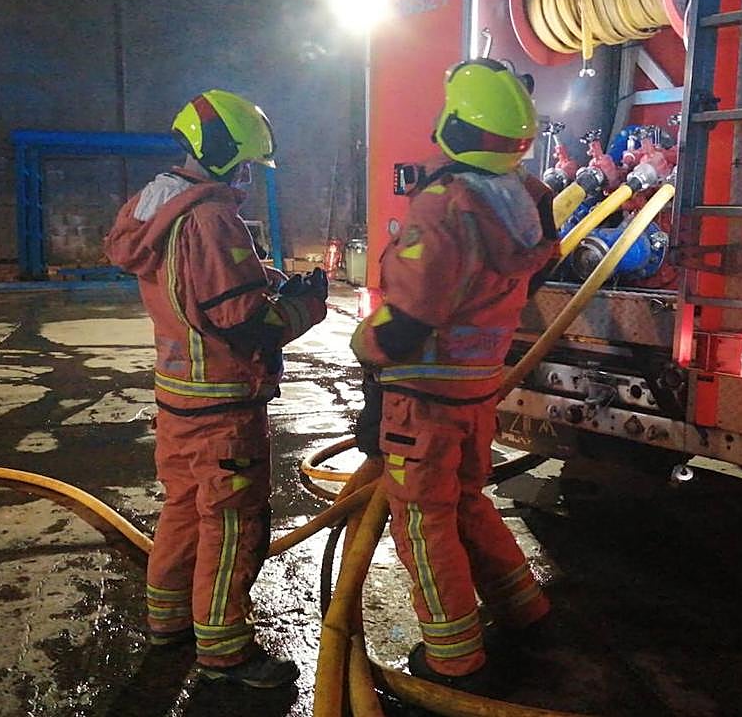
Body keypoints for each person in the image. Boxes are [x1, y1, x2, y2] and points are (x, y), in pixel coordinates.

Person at [105, 89, 327, 689]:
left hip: (178, 400)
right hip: (224, 406)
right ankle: (225, 649)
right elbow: (246, 322)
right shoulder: (210, 216)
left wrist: (264, 279)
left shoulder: (157, 209)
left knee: (182, 511)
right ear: (223, 152)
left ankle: (168, 622)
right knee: (231, 525)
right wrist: (308, 307)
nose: (249, 176)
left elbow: (199, 290)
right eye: (245, 163)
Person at [350, 58, 557, 694]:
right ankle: (525, 607)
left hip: (422, 400)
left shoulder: (446, 205)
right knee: (466, 500)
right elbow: (535, 277)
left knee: (423, 522)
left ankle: (453, 660)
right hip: (476, 392)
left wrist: (365, 343)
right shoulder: (528, 198)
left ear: (457, 123)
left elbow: (406, 321)